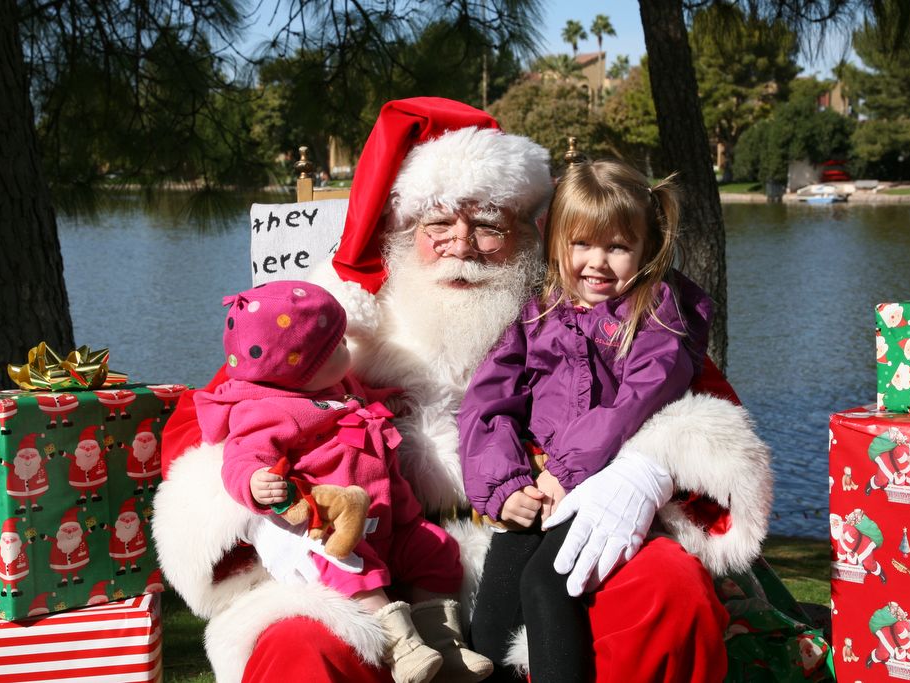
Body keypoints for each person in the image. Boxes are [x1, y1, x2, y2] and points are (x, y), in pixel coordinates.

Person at [153, 97, 772, 683]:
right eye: (438, 223)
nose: (462, 245)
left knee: (668, 585)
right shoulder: (338, 318)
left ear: (531, 235)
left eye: (488, 225)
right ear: (400, 229)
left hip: (545, 530)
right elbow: (213, 419)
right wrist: (264, 511)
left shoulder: (581, 308)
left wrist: (646, 469)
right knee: (297, 646)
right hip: (368, 563)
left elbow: (693, 401)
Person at [459, 160, 710, 682]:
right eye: (581, 245)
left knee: (547, 587)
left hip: (602, 482)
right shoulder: (538, 312)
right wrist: (505, 484)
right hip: (540, 480)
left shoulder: (655, 312)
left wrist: (567, 471)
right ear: (556, 243)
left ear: (646, 248)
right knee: (493, 610)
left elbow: (642, 397)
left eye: (617, 247)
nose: (597, 263)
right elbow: (488, 402)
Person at [194, 280, 491, 683]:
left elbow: (361, 396)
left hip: (391, 515)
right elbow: (242, 456)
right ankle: (401, 648)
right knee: (357, 573)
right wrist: (254, 481)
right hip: (335, 528)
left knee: (436, 551)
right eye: (334, 349)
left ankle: (444, 642)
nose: (347, 353)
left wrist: (391, 399)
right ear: (296, 369)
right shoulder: (266, 411)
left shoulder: (337, 384)